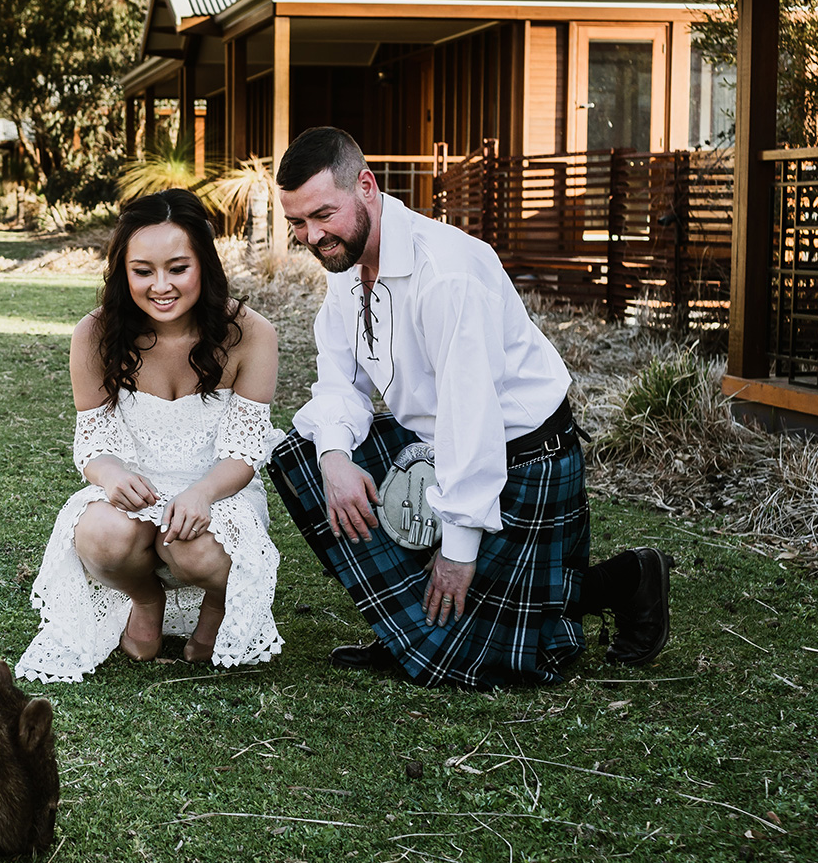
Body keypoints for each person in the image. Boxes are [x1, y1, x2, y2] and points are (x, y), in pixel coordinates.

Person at [264, 127, 672, 688]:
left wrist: (457, 549)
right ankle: (415, 624)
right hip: (435, 448)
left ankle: (629, 578)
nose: (313, 237)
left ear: (366, 186)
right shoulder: (348, 267)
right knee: (304, 455)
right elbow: (339, 383)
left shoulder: (448, 274)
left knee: (465, 660)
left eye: (323, 216)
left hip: (524, 460)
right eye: (298, 224)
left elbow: (470, 420)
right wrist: (334, 456)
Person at [17, 189, 283, 682]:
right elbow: (92, 442)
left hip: (221, 490)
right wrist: (112, 474)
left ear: (204, 265)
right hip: (137, 491)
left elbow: (246, 451)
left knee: (192, 546)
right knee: (101, 534)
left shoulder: (251, 334)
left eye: (178, 268)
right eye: (143, 271)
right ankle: (145, 597)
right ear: (123, 272)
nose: (161, 286)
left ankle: (219, 601)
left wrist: (202, 493)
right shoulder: (95, 335)